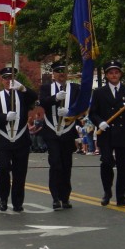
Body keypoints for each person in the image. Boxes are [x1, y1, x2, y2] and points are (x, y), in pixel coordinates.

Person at [89, 59, 125, 207]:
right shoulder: (99, 92)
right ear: (106, 75)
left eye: (116, 72)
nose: (114, 75)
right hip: (106, 132)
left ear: (120, 74)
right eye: (111, 73)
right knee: (106, 162)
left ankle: (121, 196)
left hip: (123, 132)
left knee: (123, 165)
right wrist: (100, 122)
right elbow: (92, 113)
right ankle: (107, 191)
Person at [0, 67, 38, 212]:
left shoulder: (22, 95)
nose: (9, 81)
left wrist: (23, 88)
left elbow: (34, 97)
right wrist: (4, 117)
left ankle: (18, 202)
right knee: (3, 169)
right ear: (2, 80)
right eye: (6, 78)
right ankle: (3, 197)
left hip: (21, 139)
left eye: (11, 78)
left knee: (20, 173)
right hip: (3, 139)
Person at [38, 61, 80, 210]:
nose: (61, 74)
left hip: (68, 131)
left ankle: (65, 197)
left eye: (64, 71)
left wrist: (70, 111)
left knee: (66, 165)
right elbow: (43, 102)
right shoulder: (46, 88)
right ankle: (55, 197)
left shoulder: (75, 88)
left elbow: (81, 105)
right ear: (53, 74)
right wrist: (55, 98)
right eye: (58, 71)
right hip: (52, 131)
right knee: (55, 164)